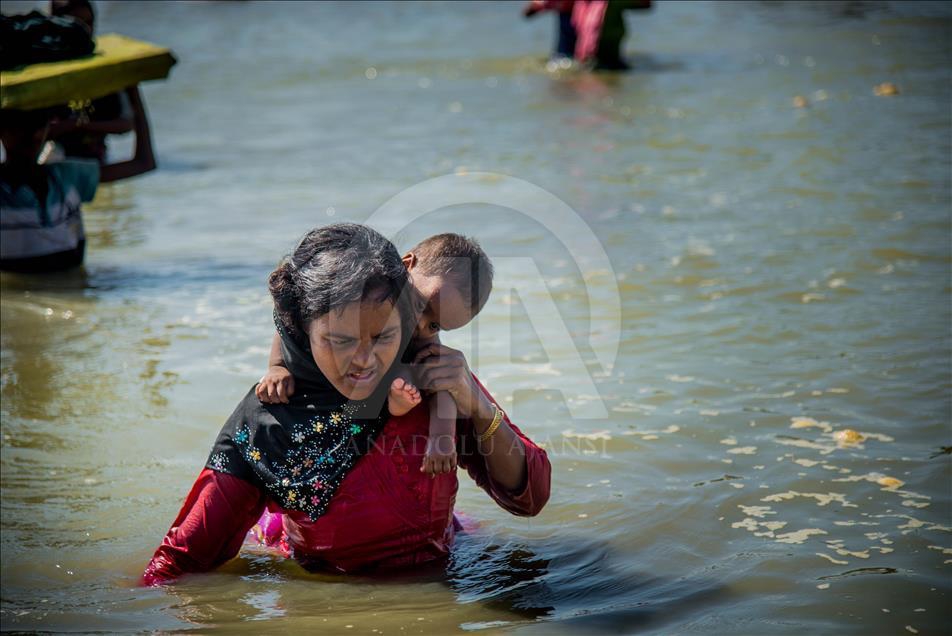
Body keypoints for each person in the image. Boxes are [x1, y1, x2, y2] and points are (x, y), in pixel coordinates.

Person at [142, 223, 551, 584]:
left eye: (384, 336)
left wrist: (477, 406)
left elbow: (530, 497)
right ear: (304, 330)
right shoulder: (269, 421)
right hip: (327, 581)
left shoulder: (429, 374)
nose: (365, 362)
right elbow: (178, 564)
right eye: (340, 341)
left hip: (444, 561)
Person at [257, 233, 494, 477]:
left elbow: (441, 389)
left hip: (378, 395)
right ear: (406, 265)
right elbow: (293, 325)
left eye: (436, 326)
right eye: (422, 306)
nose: (420, 326)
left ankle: (396, 402)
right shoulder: (370, 294)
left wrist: (441, 436)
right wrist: (277, 367)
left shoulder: (424, 342)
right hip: (328, 393)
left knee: (414, 371)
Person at [0, 85, 155, 273]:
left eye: (37, 127)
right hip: (25, 297)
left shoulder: (66, 176)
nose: (33, 135)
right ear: (3, 133)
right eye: (20, 130)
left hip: (70, 290)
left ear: (47, 130)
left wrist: (133, 93)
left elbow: (144, 163)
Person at [46, 0, 134, 163]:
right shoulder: (43, 72)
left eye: (89, 22)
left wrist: (76, 125)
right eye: (76, 23)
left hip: (96, 159)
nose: (85, 30)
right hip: (53, 160)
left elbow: (126, 123)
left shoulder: (105, 70)